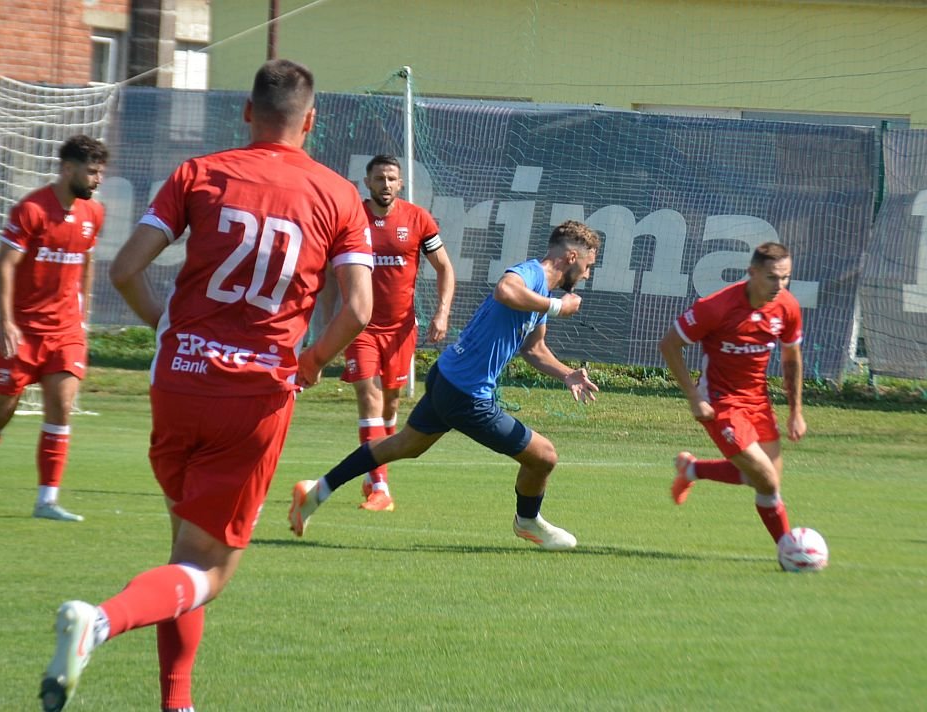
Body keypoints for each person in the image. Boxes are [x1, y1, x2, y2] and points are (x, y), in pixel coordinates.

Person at [38, 59, 374, 712]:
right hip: (252, 398)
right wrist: (311, 362)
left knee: (184, 554)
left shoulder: (199, 173)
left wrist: (168, 328)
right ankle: (98, 623)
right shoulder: (336, 195)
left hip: (178, 384)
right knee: (209, 571)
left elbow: (126, 269)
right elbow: (359, 308)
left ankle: (178, 701)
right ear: (311, 121)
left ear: (247, 112)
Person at [289, 220, 601, 550]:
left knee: (405, 445)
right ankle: (527, 521)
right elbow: (505, 290)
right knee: (544, 457)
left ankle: (317, 490)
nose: (586, 275)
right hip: (467, 394)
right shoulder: (532, 275)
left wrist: (567, 373)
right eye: (588, 265)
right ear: (571, 257)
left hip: (448, 377)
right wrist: (558, 307)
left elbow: (534, 349)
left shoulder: (542, 293)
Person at [0, 134, 108, 522]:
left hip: (65, 331)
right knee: (2, 411)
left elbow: (87, 262)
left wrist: (82, 315)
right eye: (91, 171)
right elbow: (4, 264)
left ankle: (47, 501)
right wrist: (6, 321)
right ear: (67, 169)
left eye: (100, 172)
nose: (98, 179)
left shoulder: (93, 213)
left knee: (61, 407)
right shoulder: (31, 209)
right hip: (23, 331)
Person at [658, 242, 805, 553]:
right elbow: (669, 345)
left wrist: (796, 412)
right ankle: (790, 551)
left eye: (785, 277)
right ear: (752, 272)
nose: (779, 285)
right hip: (720, 402)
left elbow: (791, 358)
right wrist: (693, 396)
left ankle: (692, 470)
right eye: (772, 277)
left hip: (758, 402)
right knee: (766, 480)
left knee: (763, 481)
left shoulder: (787, 306)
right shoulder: (716, 306)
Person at [342, 154, 455, 512]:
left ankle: (374, 468)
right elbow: (330, 269)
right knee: (369, 397)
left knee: (390, 404)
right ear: (367, 182)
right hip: (359, 327)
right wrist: (331, 318)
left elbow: (444, 267)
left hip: (401, 329)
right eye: (379, 178)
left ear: (401, 183)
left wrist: (442, 312)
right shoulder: (352, 217)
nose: (386, 184)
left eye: (391, 178)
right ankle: (380, 488)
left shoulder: (417, 219)